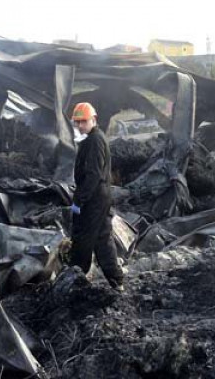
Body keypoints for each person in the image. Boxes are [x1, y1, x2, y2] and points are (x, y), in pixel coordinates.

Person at [69, 102, 124, 291]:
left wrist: (79, 200)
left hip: (94, 198)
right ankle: (117, 280)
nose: (80, 126)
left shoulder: (94, 141)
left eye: (83, 121)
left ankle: (77, 278)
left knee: (84, 238)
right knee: (102, 238)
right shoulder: (92, 138)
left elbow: (93, 174)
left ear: (94, 119)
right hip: (100, 196)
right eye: (77, 122)